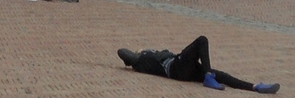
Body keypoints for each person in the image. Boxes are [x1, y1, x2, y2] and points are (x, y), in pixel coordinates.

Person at [116, 40, 281, 92]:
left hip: (184, 67)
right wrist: (139, 54)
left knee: (221, 75)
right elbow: (122, 51)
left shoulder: (156, 52)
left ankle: (255, 87)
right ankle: (208, 77)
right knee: (202, 40)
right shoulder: (141, 61)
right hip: (175, 68)